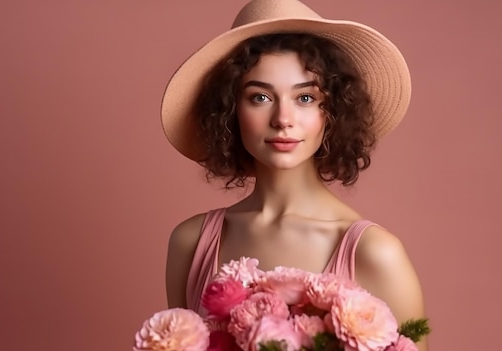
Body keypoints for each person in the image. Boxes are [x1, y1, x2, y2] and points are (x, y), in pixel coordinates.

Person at [162, 0, 427, 349]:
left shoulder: (376, 253)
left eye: (304, 98)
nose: (283, 119)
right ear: (229, 111)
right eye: (259, 97)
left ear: (331, 112)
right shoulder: (191, 243)